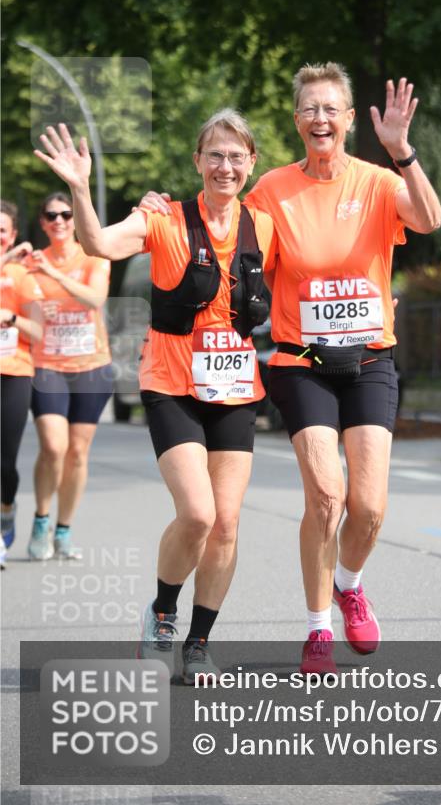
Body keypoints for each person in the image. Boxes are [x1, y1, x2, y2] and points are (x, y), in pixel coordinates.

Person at [140, 66, 441, 673]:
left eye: (332, 109)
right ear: (296, 119)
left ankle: (350, 584)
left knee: (370, 505)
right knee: (327, 496)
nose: (321, 119)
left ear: (351, 119)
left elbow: (430, 219)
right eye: (309, 109)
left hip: (372, 360)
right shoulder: (270, 190)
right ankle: (317, 628)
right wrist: (158, 210)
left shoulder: (380, 182)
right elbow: (217, 220)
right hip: (300, 362)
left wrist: (404, 152)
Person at [35, 111, 275, 684]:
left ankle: (198, 643)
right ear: (197, 161)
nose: (225, 165)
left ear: (251, 165)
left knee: (227, 524)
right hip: (170, 383)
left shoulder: (264, 224)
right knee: (197, 513)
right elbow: (97, 243)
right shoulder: (162, 217)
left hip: (237, 388)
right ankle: (163, 613)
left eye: (236, 156)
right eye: (214, 154)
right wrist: (79, 186)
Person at [25, 190, 113, 561]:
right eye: (51, 215)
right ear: (43, 223)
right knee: (54, 447)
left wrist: (52, 275)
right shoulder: (32, 263)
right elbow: (26, 310)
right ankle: (42, 519)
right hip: (47, 365)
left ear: (74, 221)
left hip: (91, 367)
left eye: (65, 214)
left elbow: (94, 300)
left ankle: (63, 529)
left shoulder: (94, 255)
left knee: (77, 453)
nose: (59, 220)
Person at [0, 201, 43, 566]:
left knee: (5, 462)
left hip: (14, 372)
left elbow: (39, 330)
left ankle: (7, 507)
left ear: (12, 235)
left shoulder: (24, 277)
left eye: (2, 230)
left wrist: (11, 317)